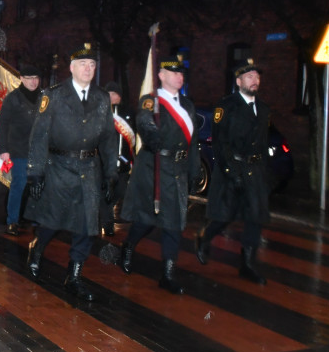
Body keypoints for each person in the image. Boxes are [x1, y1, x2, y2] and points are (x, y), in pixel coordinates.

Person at [24, 45, 119, 301]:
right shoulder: (53, 95)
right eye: (83, 64)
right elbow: (39, 136)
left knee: (88, 227)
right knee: (52, 221)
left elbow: (109, 139)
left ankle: (73, 277)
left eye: (92, 64)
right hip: (59, 167)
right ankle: (37, 247)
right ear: (72, 67)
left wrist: (111, 174)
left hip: (89, 169)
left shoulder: (101, 98)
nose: (88, 68)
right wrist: (35, 172)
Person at [117, 57, 200, 294]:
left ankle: (168, 274)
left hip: (177, 171)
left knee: (174, 222)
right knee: (146, 220)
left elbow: (192, 143)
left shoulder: (188, 105)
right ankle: (129, 246)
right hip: (154, 167)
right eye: (173, 73)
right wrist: (151, 135)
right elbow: (144, 121)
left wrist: (193, 171)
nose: (179, 77)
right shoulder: (151, 101)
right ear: (161, 75)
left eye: (181, 73)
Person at [195, 59, 272, 284]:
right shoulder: (226, 106)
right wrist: (231, 171)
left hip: (254, 170)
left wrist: (264, 172)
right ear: (239, 81)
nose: (255, 80)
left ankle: (247, 264)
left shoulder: (264, 109)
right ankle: (204, 237)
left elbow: (261, 142)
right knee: (224, 215)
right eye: (249, 77)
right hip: (233, 168)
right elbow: (220, 143)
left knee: (255, 217)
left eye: (257, 76)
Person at [0, 65, 42, 235]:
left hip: (40, 151)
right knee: (19, 185)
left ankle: (37, 219)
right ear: (21, 79)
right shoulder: (13, 98)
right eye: (29, 78)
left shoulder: (45, 97)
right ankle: (12, 221)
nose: (33, 81)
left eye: (36, 77)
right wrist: (3, 149)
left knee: (39, 186)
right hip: (19, 150)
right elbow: (2, 124)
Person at [101, 81, 134, 237]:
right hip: (106, 164)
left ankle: (103, 212)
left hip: (123, 164)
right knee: (106, 192)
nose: (110, 97)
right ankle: (107, 224)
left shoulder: (128, 112)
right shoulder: (101, 112)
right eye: (108, 94)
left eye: (113, 94)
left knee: (120, 191)